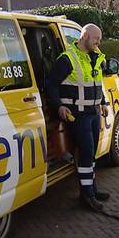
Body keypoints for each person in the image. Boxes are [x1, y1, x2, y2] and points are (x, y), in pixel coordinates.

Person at [47, 23, 110, 211]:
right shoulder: (67, 59)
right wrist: (59, 106)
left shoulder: (95, 56)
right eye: (96, 38)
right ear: (84, 37)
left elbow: (96, 82)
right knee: (85, 152)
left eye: (100, 38)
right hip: (78, 116)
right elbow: (51, 84)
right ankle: (86, 196)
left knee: (91, 153)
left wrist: (103, 103)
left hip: (93, 113)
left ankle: (92, 189)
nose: (99, 42)